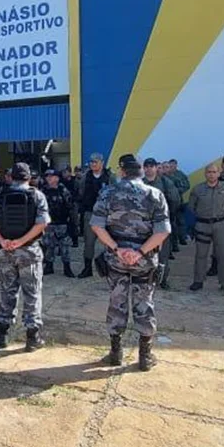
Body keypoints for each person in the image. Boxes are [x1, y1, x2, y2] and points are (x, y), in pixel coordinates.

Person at [90, 154, 171, 371]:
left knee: (117, 301)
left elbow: (97, 226)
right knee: (144, 303)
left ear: (123, 171)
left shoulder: (108, 193)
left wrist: (118, 249)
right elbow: (163, 231)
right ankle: (145, 356)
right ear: (142, 172)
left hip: (116, 259)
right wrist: (140, 252)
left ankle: (115, 353)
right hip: (144, 260)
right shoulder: (155, 194)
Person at [0, 163, 50, 351]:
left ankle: (3, 335)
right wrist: (22, 241)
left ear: (11, 177)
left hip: (6, 251)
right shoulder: (37, 196)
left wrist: (2, 240)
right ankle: (32, 338)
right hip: (29, 251)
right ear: (29, 178)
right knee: (32, 293)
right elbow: (42, 223)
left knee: (7, 291)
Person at [188, 164, 224, 294]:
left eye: (214, 172)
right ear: (205, 174)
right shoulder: (198, 189)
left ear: (218, 173)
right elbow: (192, 207)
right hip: (202, 224)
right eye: (209, 172)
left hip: (221, 224)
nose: (211, 174)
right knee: (201, 254)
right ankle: (198, 281)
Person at [143, 158, 179, 288]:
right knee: (145, 252)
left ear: (156, 167)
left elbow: (175, 200)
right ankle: (146, 278)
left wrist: (166, 215)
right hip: (145, 224)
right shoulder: (140, 183)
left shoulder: (165, 182)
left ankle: (163, 279)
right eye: (146, 166)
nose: (148, 169)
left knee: (163, 254)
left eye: (151, 166)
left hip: (161, 224)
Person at [78, 153, 111, 278]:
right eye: (91, 162)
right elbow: (81, 192)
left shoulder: (109, 177)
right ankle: (87, 269)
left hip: (106, 214)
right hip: (90, 213)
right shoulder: (85, 177)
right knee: (89, 242)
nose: (93, 164)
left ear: (102, 163)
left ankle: (109, 269)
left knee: (109, 242)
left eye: (95, 162)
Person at [41, 169, 76, 277]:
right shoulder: (43, 191)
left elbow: (71, 206)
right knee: (49, 245)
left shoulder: (63, 190)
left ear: (57, 178)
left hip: (62, 223)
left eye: (51, 176)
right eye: (47, 176)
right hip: (48, 223)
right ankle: (49, 266)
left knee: (64, 246)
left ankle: (67, 268)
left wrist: (73, 223)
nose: (49, 178)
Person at [166, 159, 191, 250]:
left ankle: (182, 238)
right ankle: (174, 243)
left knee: (180, 221)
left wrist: (177, 191)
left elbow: (187, 185)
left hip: (179, 201)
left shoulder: (180, 175)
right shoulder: (165, 176)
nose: (172, 167)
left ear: (176, 165)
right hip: (168, 202)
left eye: (173, 166)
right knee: (171, 223)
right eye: (170, 166)